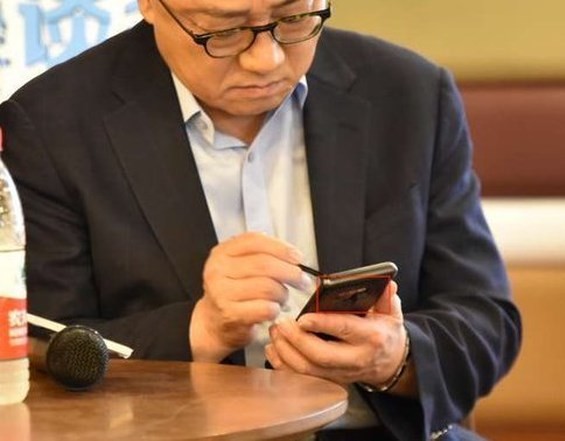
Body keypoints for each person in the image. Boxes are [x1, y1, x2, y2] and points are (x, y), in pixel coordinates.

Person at [0, 0, 521, 439]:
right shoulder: (53, 125)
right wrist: (199, 330)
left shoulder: (409, 95)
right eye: (223, 31)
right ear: (151, 6)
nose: (265, 59)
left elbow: (487, 324)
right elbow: (42, 350)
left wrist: (396, 357)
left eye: (293, 19)